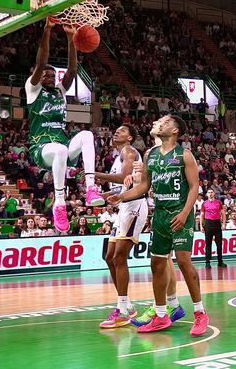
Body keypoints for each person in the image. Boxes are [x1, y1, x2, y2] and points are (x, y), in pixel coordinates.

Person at [108, 115, 209, 337]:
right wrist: (122, 197)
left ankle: (200, 312)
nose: (161, 124)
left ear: (175, 131)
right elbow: (143, 186)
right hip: (160, 215)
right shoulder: (150, 155)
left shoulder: (185, 155)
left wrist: (184, 213)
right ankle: (161, 315)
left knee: (183, 260)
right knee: (157, 264)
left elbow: (194, 187)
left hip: (180, 213)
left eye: (166, 123)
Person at [26, 18, 103, 232]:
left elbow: (72, 70)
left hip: (62, 145)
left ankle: (90, 187)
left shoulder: (59, 91)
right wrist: (47, 30)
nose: (50, 77)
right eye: (46, 74)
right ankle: (59, 204)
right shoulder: (32, 90)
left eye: (53, 75)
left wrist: (71, 37)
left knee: (87, 135)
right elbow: (41, 61)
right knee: (59, 150)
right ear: (37, 75)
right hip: (41, 149)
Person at [95, 125, 150, 328]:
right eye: (116, 130)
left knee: (119, 256)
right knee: (109, 256)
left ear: (130, 137)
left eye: (122, 130)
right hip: (123, 208)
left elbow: (123, 178)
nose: (117, 132)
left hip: (135, 205)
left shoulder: (129, 151)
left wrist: (95, 175)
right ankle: (127, 305)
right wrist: (99, 197)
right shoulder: (117, 156)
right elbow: (121, 187)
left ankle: (122, 310)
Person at [200, 189, 227, 268]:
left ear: (214, 193)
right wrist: (201, 226)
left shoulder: (218, 202)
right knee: (208, 244)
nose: (210, 193)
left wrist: (224, 224)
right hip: (208, 224)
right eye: (209, 192)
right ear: (207, 194)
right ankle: (207, 262)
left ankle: (220, 261)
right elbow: (202, 215)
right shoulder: (204, 203)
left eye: (212, 192)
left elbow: (223, 213)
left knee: (219, 244)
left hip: (217, 224)